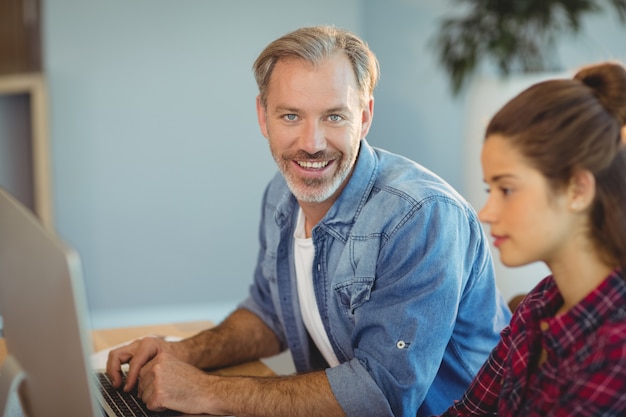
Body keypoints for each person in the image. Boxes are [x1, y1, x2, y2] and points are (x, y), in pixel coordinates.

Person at [106, 25, 510, 417]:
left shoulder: (421, 217)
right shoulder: (282, 194)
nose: (312, 144)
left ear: (365, 117)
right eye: (290, 116)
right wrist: (180, 352)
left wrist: (205, 391)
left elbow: (383, 396)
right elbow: (270, 315)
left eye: (334, 117)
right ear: (263, 117)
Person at [437, 61, 626, 416]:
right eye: (488, 189)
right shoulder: (538, 304)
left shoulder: (617, 348)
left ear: (577, 188)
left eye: (506, 189)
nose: (485, 212)